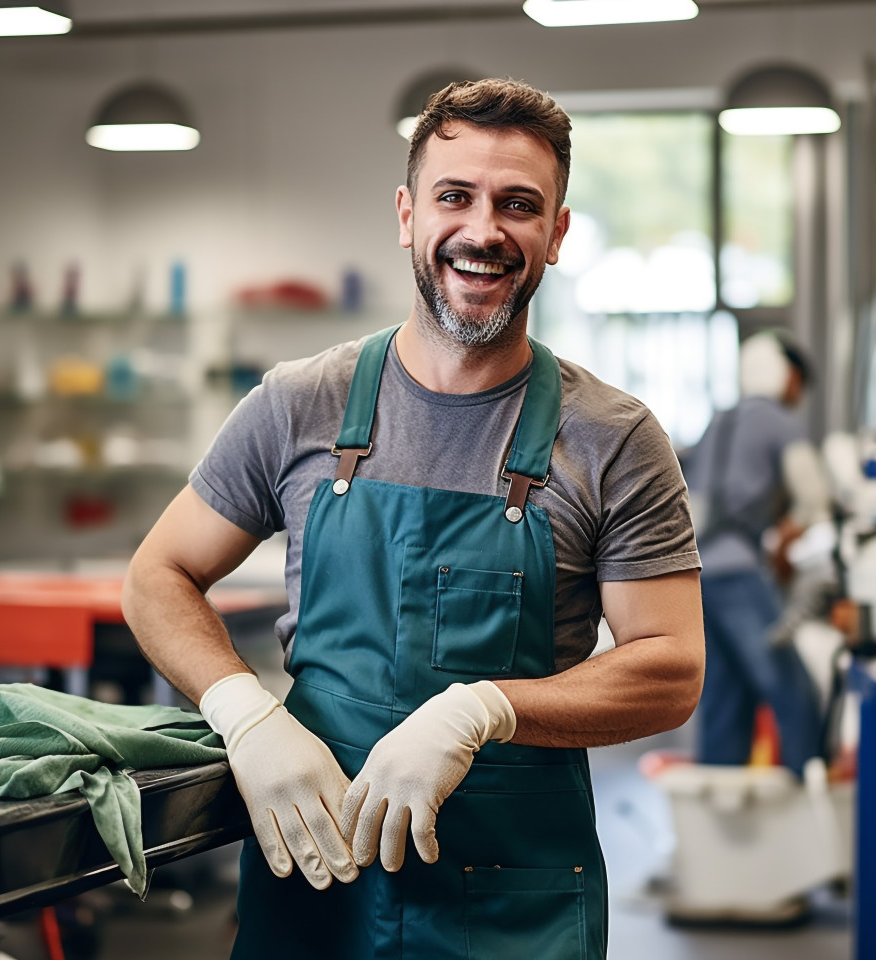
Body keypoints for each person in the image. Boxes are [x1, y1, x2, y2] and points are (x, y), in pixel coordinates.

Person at [121, 78, 705, 960]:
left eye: (519, 205)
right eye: (454, 197)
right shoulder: (297, 404)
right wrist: (244, 710)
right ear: (407, 215)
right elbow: (156, 576)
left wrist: (482, 710)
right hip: (316, 884)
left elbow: (670, 668)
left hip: (516, 907)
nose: (483, 230)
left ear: (557, 233)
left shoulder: (613, 438)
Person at [684, 330, 830, 777]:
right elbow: (815, 496)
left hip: (697, 574)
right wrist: (791, 537)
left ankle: (720, 811)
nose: (798, 395)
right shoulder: (779, 422)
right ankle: (812, 794)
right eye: (798, 382)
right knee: (791, 689)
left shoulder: (719, 421)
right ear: (786, 377)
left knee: (725, 696)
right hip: (739, 575)